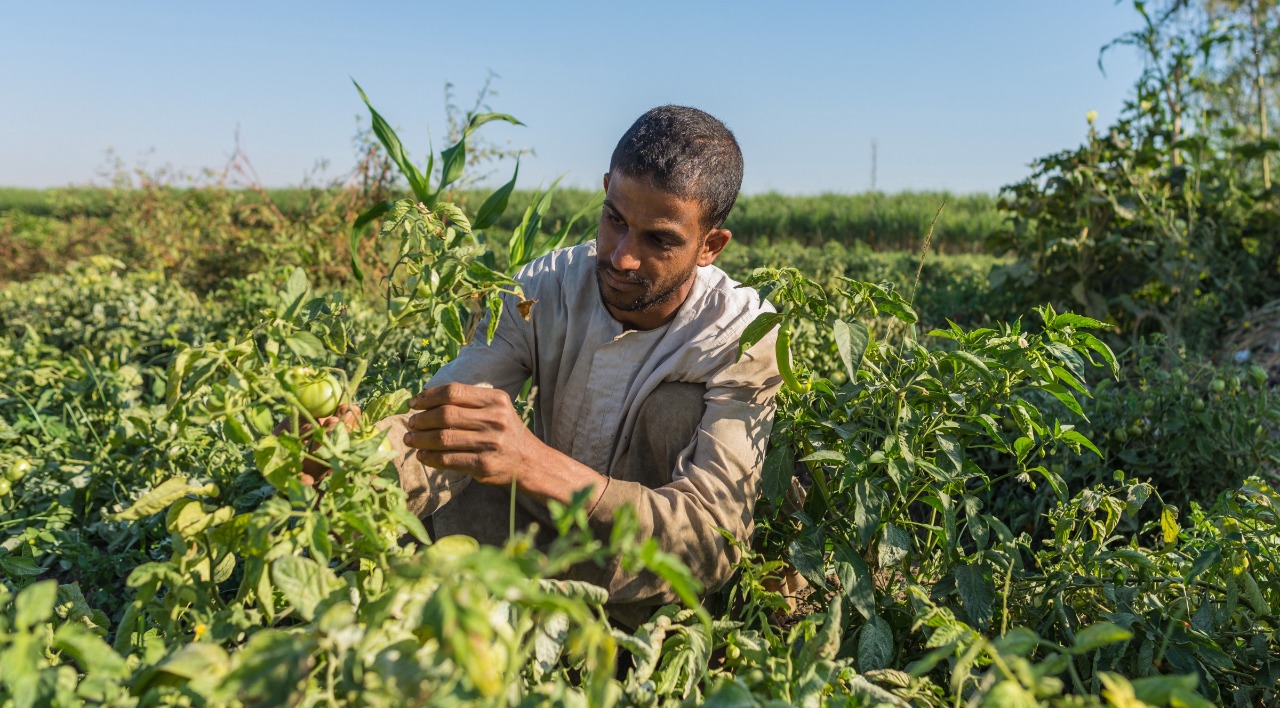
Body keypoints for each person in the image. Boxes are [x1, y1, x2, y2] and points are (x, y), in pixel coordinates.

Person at [354, 106, 781, 626]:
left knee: (675, 409)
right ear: (605, 191)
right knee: (447, 473)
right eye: (615, 220)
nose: (623, 256)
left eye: (660, 240)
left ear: (710, 245)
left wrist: (533, 462)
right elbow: (446, 417)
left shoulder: (740, 335)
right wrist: (350, 461)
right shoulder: (543, 289)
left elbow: (712, 538)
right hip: (538, 530)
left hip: (649, 574)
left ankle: (640, 631)